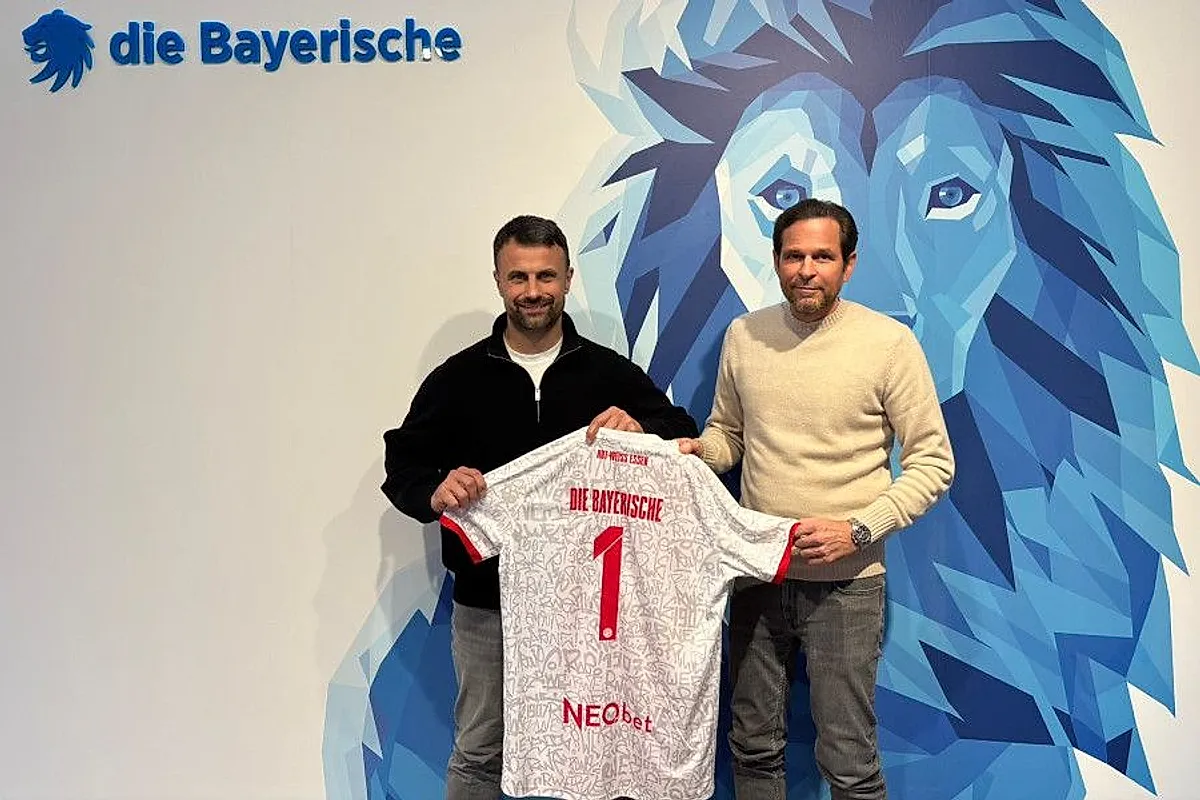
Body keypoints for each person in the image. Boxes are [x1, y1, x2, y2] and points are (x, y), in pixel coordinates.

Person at [381, 214, 698, 800]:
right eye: (519, 277)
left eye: (546, 276)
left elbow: (682, 432)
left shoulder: (609, 372)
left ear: (569, 277)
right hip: (489, 601)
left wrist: (640, 427)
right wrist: (434, 490)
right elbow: (403, 462)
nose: (533, 291)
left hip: (592, 610)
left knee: (597, 747)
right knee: (481, 747)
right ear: (498, 281)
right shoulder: (457, 378)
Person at [678, 198, 954, 800]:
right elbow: (729, 435)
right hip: (756, 574)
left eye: (822, 257)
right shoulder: (744, 336)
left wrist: (858, 530)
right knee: (752, 746)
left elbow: (934, 464)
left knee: (849, 760)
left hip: (847, 585)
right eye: (794, 256)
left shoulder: (889, 344)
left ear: (848, 265)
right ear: (777, 260)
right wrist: (697, 451)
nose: (806, 270)